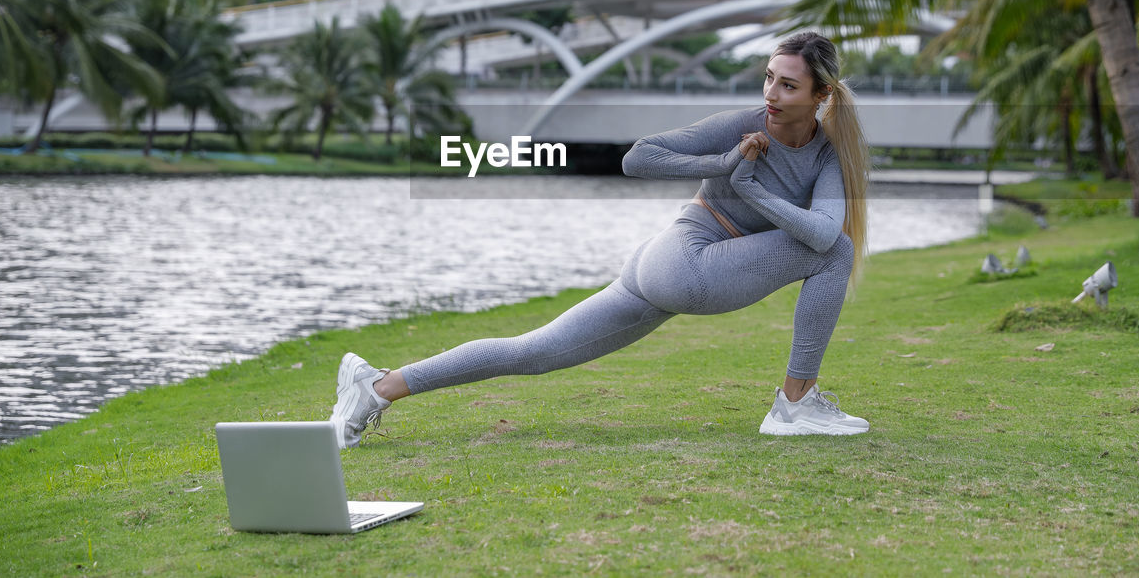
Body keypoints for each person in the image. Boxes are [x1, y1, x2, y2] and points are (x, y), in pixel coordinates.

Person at [329, 31, 872, 448]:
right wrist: (728, 164)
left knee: (534, 351)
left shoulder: (829, 155)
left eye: (788, 84)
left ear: (821, 95)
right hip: (686, 260)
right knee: (839, 253)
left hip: (662, 271)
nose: (771, 94)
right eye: (769, 77)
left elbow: (822, 230)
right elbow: (638, 156)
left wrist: (749, 188)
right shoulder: (741, 124)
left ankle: (375, 387)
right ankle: (795, 406)